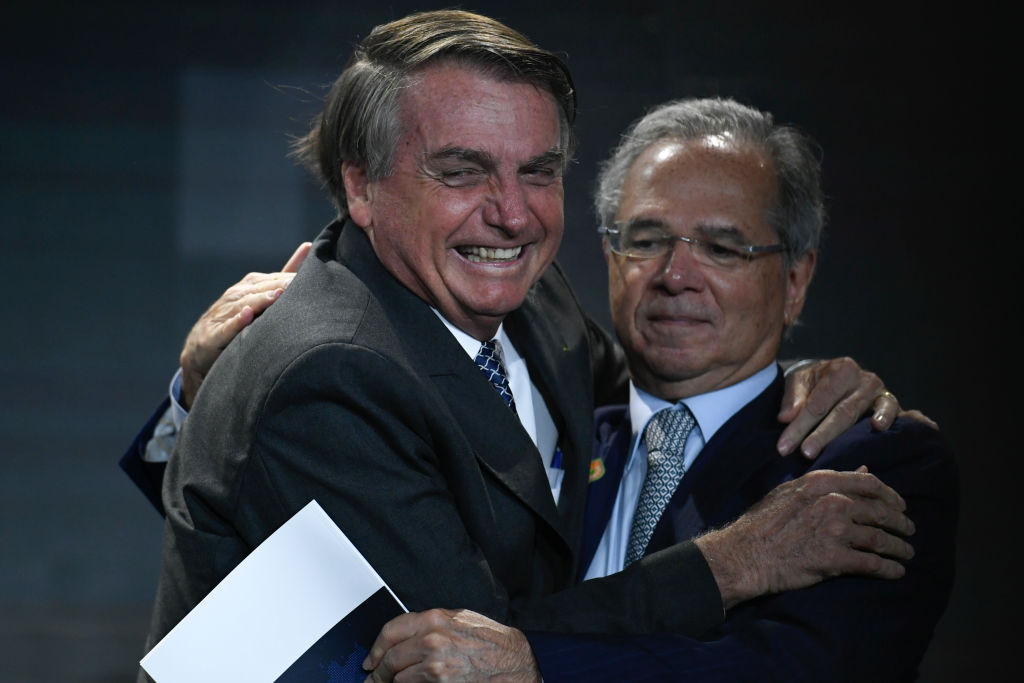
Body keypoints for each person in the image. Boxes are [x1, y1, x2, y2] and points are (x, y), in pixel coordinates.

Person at [140, 9, 917, 673]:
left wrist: (800, 377)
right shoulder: (331, 370)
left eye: (538, 172)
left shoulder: (525, 295)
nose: (512, 215)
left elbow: (648, 388)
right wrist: (734, 561)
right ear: (360, 184)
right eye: (462, 171)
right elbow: (476, 651)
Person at [361, 98, 957, 682]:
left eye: (723, 249)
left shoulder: (872, 464)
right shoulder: (550, 424)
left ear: (795, 279)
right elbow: (474, 628)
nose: (675, 277)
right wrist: (310, 301)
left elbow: (790, 668)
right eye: (646, 240)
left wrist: (538, 666)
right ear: (610, 256)